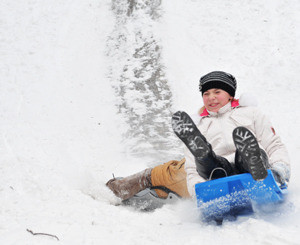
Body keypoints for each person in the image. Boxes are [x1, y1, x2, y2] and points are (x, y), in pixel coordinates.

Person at [106, 71, 290, 204]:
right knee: (207, 161)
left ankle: (256, 168)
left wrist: (280, 170)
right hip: (220, 172)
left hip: (251, 167)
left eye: (217, 91)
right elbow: (192, 168)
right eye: (206, 93)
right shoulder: (200, 125)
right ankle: (209, 163)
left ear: (230, 94)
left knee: (249, 152)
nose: (211, 97)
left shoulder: (250, 113)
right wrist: (199, 192)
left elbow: (274, 145)